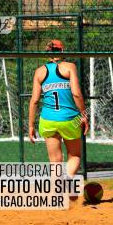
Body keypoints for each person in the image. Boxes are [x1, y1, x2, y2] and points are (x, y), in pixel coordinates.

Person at [28, 39, 87, 178]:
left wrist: (31, 125)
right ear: (62, 51)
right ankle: (68, 178)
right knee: (75, 156)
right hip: (70, 119)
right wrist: (84, 114)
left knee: (55, 162)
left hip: (48, 120)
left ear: (47, 53)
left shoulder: (39, 72)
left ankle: (58, 194)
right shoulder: (69, 67)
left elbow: (35, 100)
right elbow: (77, 94)